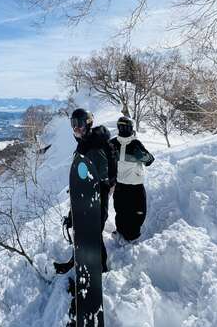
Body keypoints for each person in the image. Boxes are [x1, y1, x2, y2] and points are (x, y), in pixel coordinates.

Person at [54, 108, 117, 274]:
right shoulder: (85, 143)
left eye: (79, 124)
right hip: (87, 197)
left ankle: (100, 270)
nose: (75, 128)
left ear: (88, 124)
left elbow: (99, 179)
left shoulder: (95, 147)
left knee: (93, 235)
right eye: (73, 124)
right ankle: (76, 262)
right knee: (82, 233)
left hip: (96, 199)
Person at [110, 116, 154, 243]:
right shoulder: (113, 143)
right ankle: (120, 232)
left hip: (136, 185)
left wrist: (143, 156)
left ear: (131, 128)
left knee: (138, 212)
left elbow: (150, 160)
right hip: (120, 185)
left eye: (126, 127)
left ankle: (133, 236)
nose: (123, 129)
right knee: (120, 210)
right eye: (120, 126)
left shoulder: (135, 143)